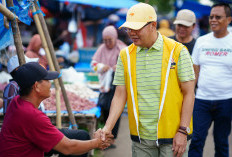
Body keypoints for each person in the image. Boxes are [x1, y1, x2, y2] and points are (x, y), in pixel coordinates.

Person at [101, 3, 195, 157]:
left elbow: (189, 93)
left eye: (136, 28)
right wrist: (107, 127)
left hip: (173, 137)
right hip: (141, 138)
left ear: (153, 25)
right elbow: (119, 95)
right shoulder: (125, 55)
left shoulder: (177, 51)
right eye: (129, 29)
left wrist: (183, 131)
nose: (131, 33)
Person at [0, 62, 113, 156]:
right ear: (36, 86)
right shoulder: (32, 116)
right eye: (47, 80)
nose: (51, 84)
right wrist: (97, 143)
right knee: (75, 142)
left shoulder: (17, 101)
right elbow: (69, 148)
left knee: (80, 136)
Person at [188, 3, 232, 157]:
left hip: (226, 100)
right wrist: (190, 97)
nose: (213, 20)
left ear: (228, 19)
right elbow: (195, 72)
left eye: (218, 17)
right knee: (196, 140)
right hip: (202, 100)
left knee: (221, 142)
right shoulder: (201, 41)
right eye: (211, 17)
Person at [91, 25, 127, 147]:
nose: (107, 43)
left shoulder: (122, 49)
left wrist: (120, 67)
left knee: (115, 110)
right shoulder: (101, 49)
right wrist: (101, 67)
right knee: (106, 109)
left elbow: (130, 64)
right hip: (105, 86)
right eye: (105, 40)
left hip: (118, 85)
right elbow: (94, 64)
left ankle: (113, 139)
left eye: (109, 40)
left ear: (115, 38)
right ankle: (106, 136)